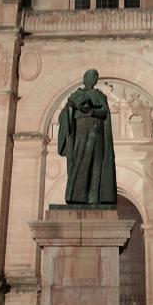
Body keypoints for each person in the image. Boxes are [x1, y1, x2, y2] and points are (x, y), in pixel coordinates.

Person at [57, 69, 117, 205]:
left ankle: (94, 197)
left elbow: (105, 111)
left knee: (96, 164)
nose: (92, 80)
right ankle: (77, 197)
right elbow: (64, 115)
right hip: (81, 131)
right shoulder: (76, 94)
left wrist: (92, 110)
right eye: (89, 77)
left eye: (94, 77)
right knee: (80, 162)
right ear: (84, 79)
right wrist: (72, 107)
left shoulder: (99, 95)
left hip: (97, 132)